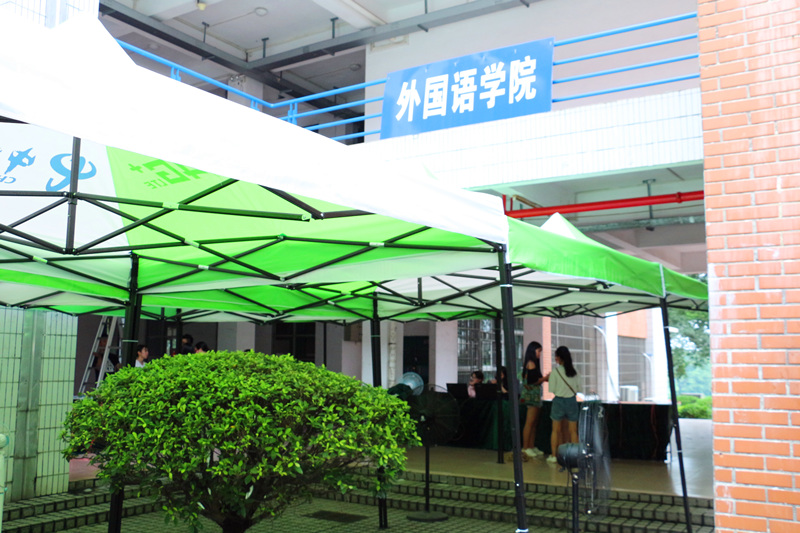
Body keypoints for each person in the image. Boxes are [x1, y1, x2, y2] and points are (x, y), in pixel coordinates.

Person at [546, 345, 580, 463]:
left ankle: (554, 456)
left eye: (556, 356)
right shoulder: (575, 372)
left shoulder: (555, 372)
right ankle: (575, 456)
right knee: (573, 431)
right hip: (572, 401)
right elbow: (579, 388)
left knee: (555, 430)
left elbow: (551, 389)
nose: (555, 358)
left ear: (559, 358)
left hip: (558, 401)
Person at [521, 341, 546, 458]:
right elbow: (533, 381)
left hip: (536, 397)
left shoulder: (534, 363)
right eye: (538, 351)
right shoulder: (531, 363)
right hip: (531, 397)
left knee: (534, 423)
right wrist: (545, 378)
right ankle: (526, 447)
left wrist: (544, 379)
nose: (539, 354)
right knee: (529, 422)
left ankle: (531, 446)